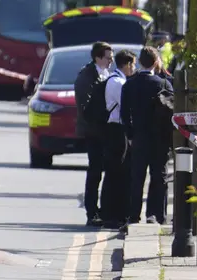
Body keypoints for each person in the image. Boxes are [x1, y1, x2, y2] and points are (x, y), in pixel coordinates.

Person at [121, 46, 174, 225]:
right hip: (160, 138)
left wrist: (130, 135)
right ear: (156, 61)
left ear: (141, 62)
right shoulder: (163, 84)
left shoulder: (129, 84)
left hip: (139, 137)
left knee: (137, 177)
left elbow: (124, 113)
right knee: (158, 177)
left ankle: (133, 215)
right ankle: (155, 215)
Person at [73, 41, 113, 226]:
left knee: (105, 170)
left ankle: (104, 209)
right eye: (108, 58)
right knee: (95, 170)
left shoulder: (105, 73)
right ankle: (91, 211)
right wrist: (104, 115)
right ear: (98, 57)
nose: (110, 61)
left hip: (104, 130)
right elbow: (85, 107)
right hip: (94, 130)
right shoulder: (86, 76)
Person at [101, 50, 136, 229]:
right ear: (127, 64)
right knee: (115, 172)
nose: (134, 68)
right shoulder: (118, 82)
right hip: (115, 129)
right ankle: (110, 214)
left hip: (118, 129)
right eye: (133, 65)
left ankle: (116, 213)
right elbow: (126, 107)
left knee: (120, 171)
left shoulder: (119, 80)